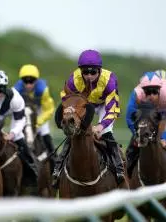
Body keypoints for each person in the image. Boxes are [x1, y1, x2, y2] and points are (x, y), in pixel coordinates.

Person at [52, 49, 124, 187]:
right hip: (83, 104)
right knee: (73, 133)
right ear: (81, 72)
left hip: (104, 105)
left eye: (93, 72)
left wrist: (101, 126)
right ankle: (58, 168)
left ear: (99, 71)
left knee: (106, 132)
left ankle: (119, 168)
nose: (89, 76)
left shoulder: (109, 81)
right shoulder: (73, 80)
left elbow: (112, 110)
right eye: (85, 72)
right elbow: (66, 101)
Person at [0, 70, 38, 184]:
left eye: (0, 90)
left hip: (14, 116)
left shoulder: (16, 98)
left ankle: (33, 171)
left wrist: (12, 134)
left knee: (20, 140)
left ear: (5, 88)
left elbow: (20, 120)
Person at [14, 64, 56, 168]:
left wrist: (38, 122)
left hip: (39, 115)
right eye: (25, 81)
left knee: (46, 136)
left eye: (31, 81)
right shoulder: (15, 91)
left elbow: (49, 109)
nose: (28, 85)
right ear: (21, 81)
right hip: (23, 116)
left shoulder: (43, 90)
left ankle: (55, 164)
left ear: (36, 80)